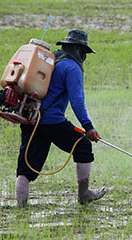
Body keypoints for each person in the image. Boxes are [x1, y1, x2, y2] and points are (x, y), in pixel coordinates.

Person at [15, 29, 106, 207]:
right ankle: (84, 194)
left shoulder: (50, 60)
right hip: (51, 121)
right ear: (80, 50)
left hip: (30, 117)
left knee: (26, 166)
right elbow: (77, 101)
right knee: (83, 146)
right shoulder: (72, 68)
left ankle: (21, 206)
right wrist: (88, 127)